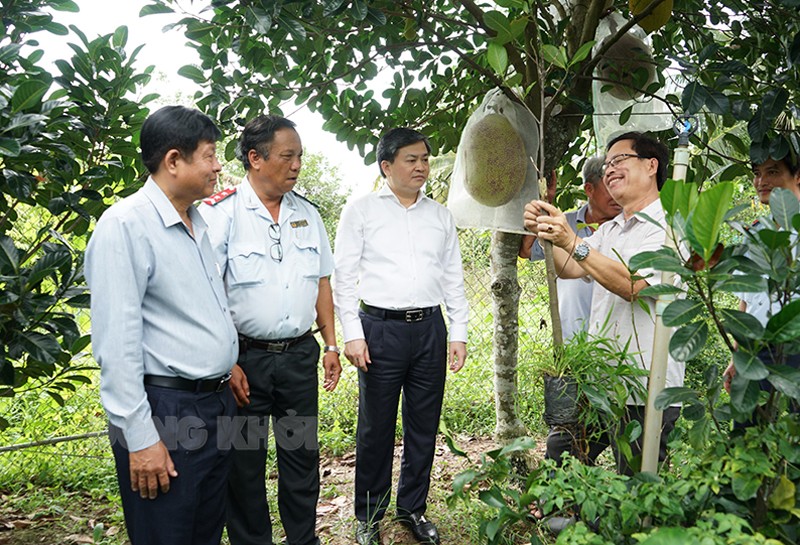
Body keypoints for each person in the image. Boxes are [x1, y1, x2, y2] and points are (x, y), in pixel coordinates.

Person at [85, 105, 239, 545]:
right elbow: (117, 344)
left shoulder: (199, 222)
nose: (217, 165)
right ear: (174, 161)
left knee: (205, 529)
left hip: (215, 403)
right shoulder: (126, 226)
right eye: (209, 155)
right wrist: (141, 438)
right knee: (167, 532)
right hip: (166, 410)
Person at [200, 114, 342, 545]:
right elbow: (208, 293)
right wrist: (227, 364)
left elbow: (321, 282)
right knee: (243, 463)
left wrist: (331, 343)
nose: (297, 164)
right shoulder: (219, 215)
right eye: (288, 155)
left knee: (301, 457)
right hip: (244, 363)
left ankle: (303, 539)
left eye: (300, 155)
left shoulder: (308, 214)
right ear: (255, 158)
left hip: (299, 357)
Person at [333, 128, 468, 545]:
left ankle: (413, 508)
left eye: (425, 159)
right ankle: (369, 516)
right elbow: (343, 278)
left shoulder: (439, 215)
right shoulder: (361, 211)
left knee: (423, 424)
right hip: (379, 330)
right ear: (386, 166)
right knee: (376, 427)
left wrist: (458, 331)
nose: (422, 167)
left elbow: (452, 277)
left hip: (429, 328)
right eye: (411, 160)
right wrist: (352, 334)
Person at [523, 131, 684, 475]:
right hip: (601, 383)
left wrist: (573, 241)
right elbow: (566, 269)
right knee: (563, 450)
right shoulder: (612, 231)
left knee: (636, 479)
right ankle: (565, 519)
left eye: (620, 160)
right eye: (607, 164)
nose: (610, 169)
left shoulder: (668, 227)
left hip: (646, 387)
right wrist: (547, 232)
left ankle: (623, 528)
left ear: (651, 165)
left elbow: (632, 286)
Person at [723, 153, 800, 404]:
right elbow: (747, 301)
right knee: (748, 431)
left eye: (773, 172)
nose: (761, 181)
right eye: (757, 173)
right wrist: (738, 355)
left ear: (798, 176)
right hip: (757, 349)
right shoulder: (754, 232)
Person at [519, 157, 622, 340]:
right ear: (589, 189)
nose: (617, 195)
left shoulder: (627, 227)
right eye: (609, 187)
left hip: (614, 337)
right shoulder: (565, 224)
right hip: (571, 336)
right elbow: (527, 250)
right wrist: (545, 204)